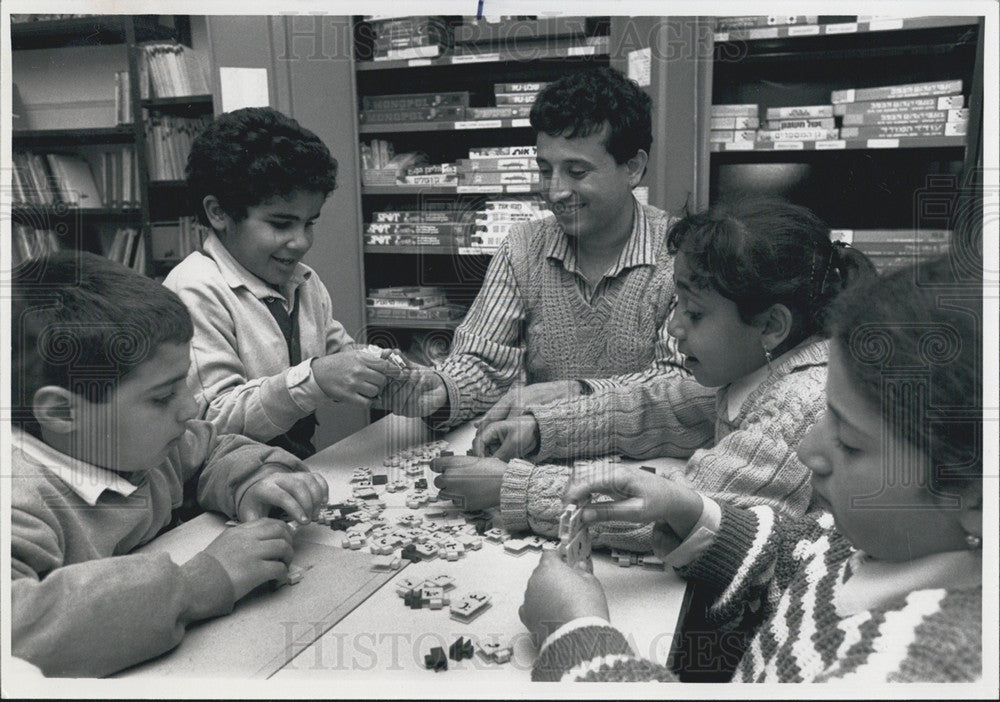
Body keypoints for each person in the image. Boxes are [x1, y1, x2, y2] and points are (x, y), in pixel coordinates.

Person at [520, 254, 983, 683]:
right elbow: (809, 554)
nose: (807, 449)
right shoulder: (899, 542)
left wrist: (575, 635)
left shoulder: (921, 666)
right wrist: (694, 513)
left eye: (848, 442)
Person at [432, 199, 875, 550]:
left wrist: (511, 488)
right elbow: (659, 409)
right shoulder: (766, 364)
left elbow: (682, 513)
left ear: (772, 325)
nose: (675, 326)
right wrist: (540, 430)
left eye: (695, 313)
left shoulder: (799, 402)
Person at [10, 252, 329, 677]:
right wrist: (196, 585)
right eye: (162, 396)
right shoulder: (19, 498)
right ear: (63, 413)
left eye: (184, 383)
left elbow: (213, 447)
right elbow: (18, 633)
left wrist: (254, 480)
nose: (190, 405)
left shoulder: (144, 442)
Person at [384, 67, 715, 460]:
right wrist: (441, 392)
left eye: (576, 172)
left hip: (648, 477)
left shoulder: (684, 253)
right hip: (539, 464)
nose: (555, 191)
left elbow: (684, 388)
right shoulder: (523, 248)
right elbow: (484, 364)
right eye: (545, 170)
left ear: (633, 167)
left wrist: (574, 392)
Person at [165, 107, 399, 459]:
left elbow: (336, 353)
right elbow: (209, 423)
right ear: (218, 213)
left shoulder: (303, 281)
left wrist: (382, 369)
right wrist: (314, 379)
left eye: (309, 223)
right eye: (281, 224)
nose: (301, 241)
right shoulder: (195, 289)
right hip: (227, 489)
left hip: (290, 471)